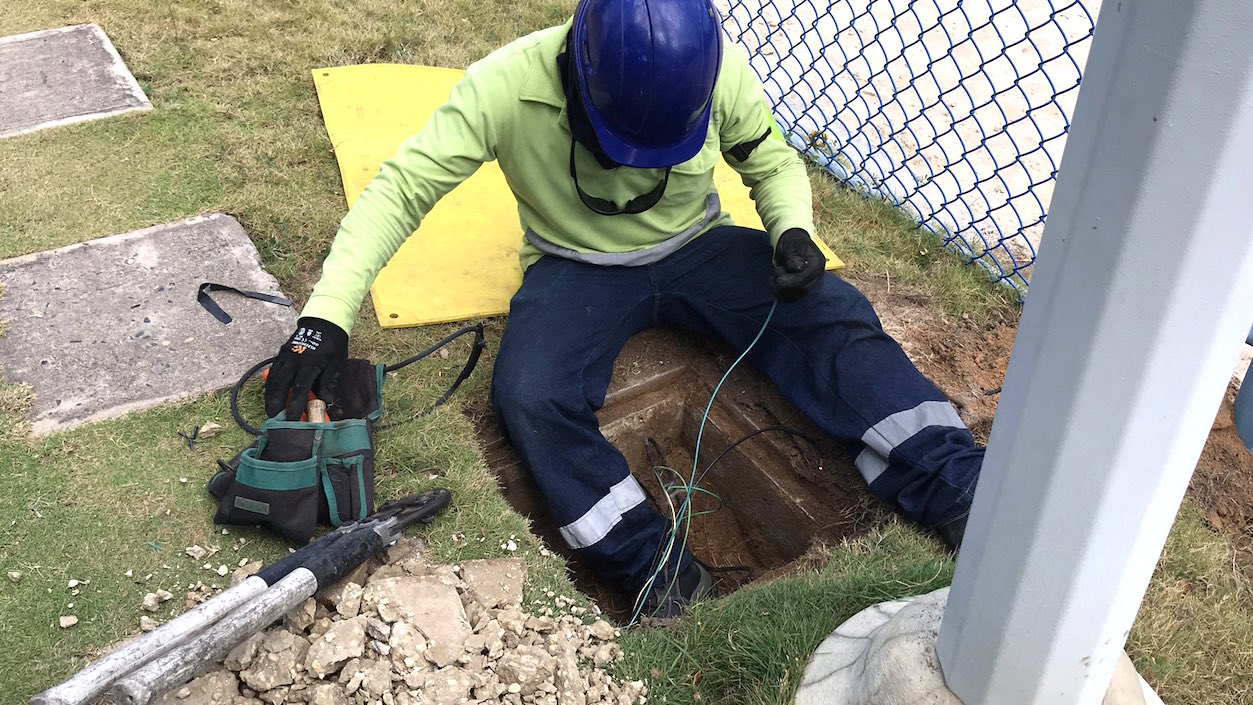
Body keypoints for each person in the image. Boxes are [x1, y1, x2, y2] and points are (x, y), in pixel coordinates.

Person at [264, 0, 982, 618]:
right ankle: (656, 573)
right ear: (578, 71)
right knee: (530, 395)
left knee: (831, 314)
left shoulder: (717, 72)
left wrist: (790, 226)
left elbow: (770, 160)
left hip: (699, 247)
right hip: (575, 268)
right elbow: (399, 190)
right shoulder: (501, 86)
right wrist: (324, 314)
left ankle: (953, 482)